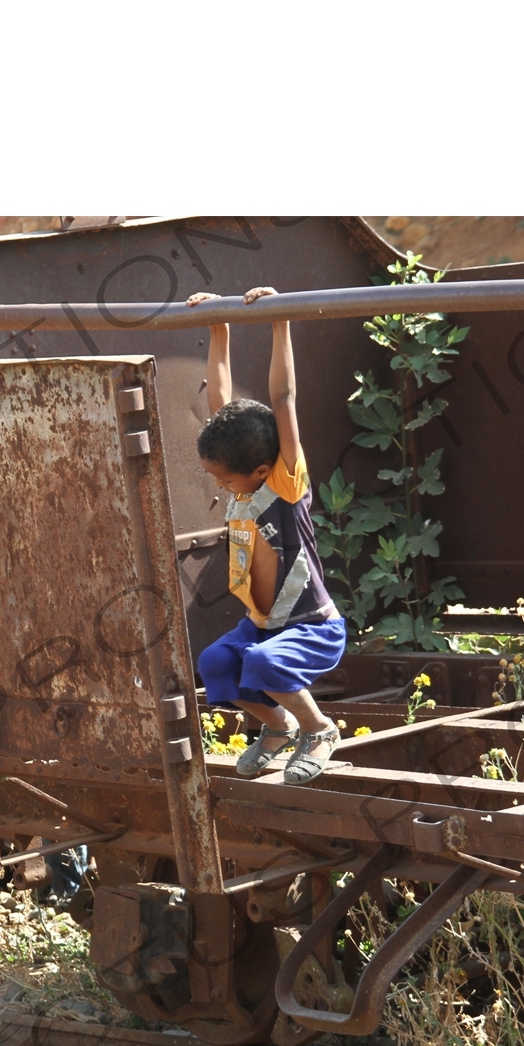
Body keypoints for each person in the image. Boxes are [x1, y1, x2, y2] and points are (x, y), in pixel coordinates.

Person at [184, 286, 347, 785]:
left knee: (261, 663)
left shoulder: (284, 483)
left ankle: (319, 729)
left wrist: (280, 321)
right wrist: (219, 326)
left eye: (225, 480)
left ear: (259, 470)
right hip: (261, 626)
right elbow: (220, 401)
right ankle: (278, 727)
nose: (220, 488)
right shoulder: (242, 487)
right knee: (215, 664)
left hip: (310, 627)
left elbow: (283, 398)